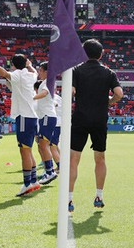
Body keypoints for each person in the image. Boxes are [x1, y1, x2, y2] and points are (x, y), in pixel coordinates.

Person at [68, 39, 123, 211]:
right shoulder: (108, 72)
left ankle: (69, 199)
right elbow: (119, 93)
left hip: (80, 118)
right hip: (99, 120)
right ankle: (99, 195)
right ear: (101, 54)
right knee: (100, 158)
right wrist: (110, 101)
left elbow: (71, 92)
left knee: (73, 159)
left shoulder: (76, 70)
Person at [0, 52, 41, 197]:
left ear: (13, 65)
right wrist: (30, 65)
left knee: (24, 151)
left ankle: (27, 184)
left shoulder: (18, 75)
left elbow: (2, 72)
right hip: (32, 116)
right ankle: (33, 180)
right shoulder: (31, 75)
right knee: (28, 150)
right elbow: (34, 71)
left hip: (24, 117)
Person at [34, 62, 58, 184]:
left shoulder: (48, 81)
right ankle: (48, 171)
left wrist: (31, 97)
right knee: (42, 144)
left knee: (44, 144)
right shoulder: (46, 82)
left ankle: (50, 171)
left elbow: (44, 93)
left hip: (48, 116)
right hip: (46, 116)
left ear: (46, 71)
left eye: (41, 70)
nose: (39, 73)